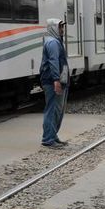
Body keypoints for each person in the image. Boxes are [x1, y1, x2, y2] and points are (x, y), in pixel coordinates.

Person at [39, 18, 69, 148]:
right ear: (54, 28)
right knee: (52, 109)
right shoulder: (52, 43)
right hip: (53, 82)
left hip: (58, 81)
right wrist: (56, 80)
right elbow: (53, 61)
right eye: (60, 27)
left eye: (62, 27)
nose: (62, 30)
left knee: (57, 110)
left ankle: (53, 135)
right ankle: (48, 139)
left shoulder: (56, 41)